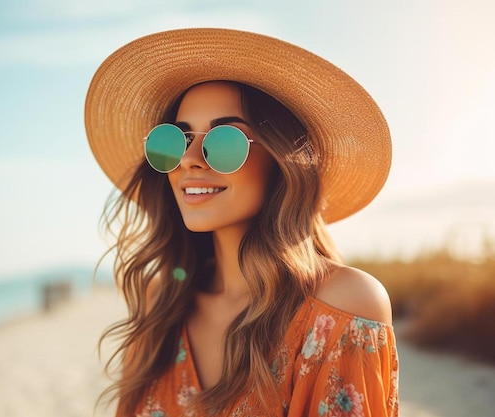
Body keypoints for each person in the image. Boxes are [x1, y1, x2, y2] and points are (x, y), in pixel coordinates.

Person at [84, 28, 398, 417]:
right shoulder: (159, 304)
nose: (189, 159)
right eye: (175, 141)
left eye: (224, 140)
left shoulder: (342, 307)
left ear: (283, 161)